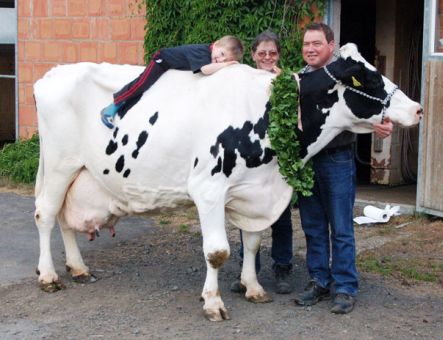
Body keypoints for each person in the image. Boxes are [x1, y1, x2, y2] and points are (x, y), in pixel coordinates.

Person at [294, 23, 393, 314]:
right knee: (312, 227)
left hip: (337, 159)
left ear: (331, 46)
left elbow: (376, 101)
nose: (310, 49)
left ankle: (345, 287)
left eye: (316, 43)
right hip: (307, 161)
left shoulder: (348, 75)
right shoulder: (298, 79)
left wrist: (384, 122)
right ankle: (318, 281)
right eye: (306, 44)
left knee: (340, 227)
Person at [230, 31, 294, 295]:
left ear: (278, 55)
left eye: (273, 53)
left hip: (278, 159)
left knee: (281, 216)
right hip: (250, 158)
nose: (267, 57)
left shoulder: (287, 81)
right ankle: (249, 270)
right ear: (254, 55)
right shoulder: (244, 80)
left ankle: (282, 268)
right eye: (262, 53)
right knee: (248, 214)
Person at [100, 35, 244, 129]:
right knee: (141, 84)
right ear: (216, 44)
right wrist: (227, 65)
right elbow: (205, 70)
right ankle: (113, 106)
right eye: (222, 54)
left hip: (173, 66)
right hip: (162, 61)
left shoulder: (211, 54)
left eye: (225, 60)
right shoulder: (203, 52)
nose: (220, 60)